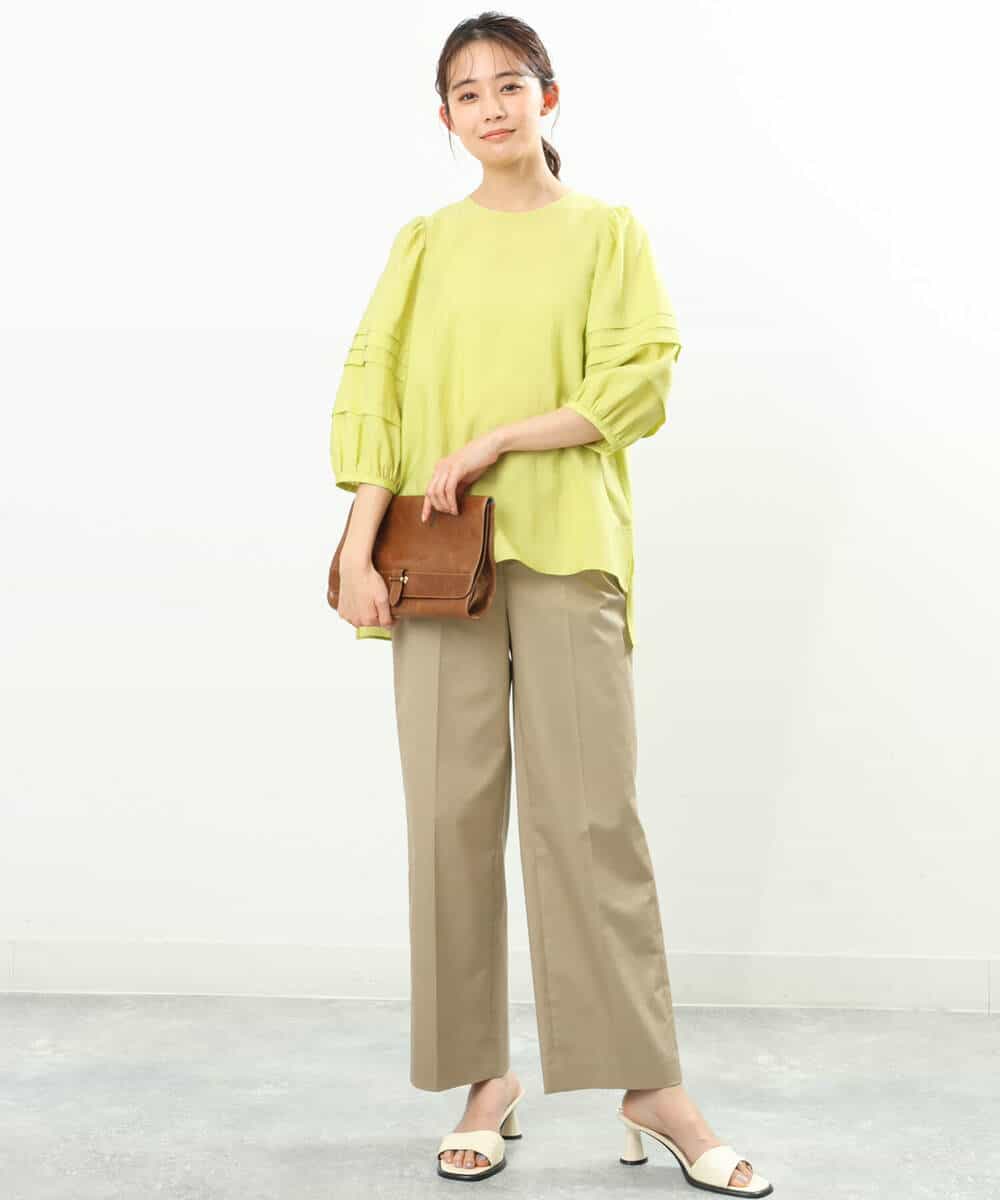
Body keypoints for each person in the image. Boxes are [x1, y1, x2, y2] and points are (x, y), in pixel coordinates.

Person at [328, 12, 773, 1196]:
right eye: (467, 91)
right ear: (445, 117)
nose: (490, 105)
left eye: (509, 84)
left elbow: (636, 379)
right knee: (448, 820)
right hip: (437, 564)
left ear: (548, 97)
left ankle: (647, 1084)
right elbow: (374, 390)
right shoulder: (423, 243)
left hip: (569, 549)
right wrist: (357, 545)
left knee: (589, 823)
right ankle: (485, 1080)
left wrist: (499, 438)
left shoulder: (605, 232)